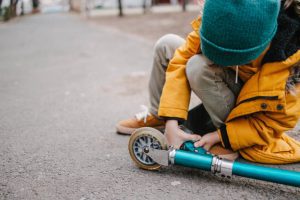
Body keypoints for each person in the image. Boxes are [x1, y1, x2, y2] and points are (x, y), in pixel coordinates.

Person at [116, 0, 300, 164]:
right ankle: (159, 116)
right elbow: (181, 58)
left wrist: (221, 136)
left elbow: (273, 123)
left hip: (249, 111)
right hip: (227, 81)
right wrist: (171, 121)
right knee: (167, 44)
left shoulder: (292, 58)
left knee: (198, 66)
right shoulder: (222, 11)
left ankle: (227, 142)